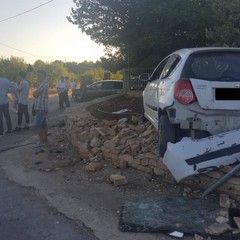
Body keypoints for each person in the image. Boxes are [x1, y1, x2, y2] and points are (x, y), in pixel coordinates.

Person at [32, 70, 48, 147]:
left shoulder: (43, 84)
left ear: (44, 76)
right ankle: (45, 140)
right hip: (42, 108)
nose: (38, 77)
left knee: (38, 125)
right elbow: (36, 94)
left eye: (40, 75)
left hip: (41, 108)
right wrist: (35, 92)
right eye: (38, 75)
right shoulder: (42, 84)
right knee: (43, 125)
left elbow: (35, 94)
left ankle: (41, 141)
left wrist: (34, 92)